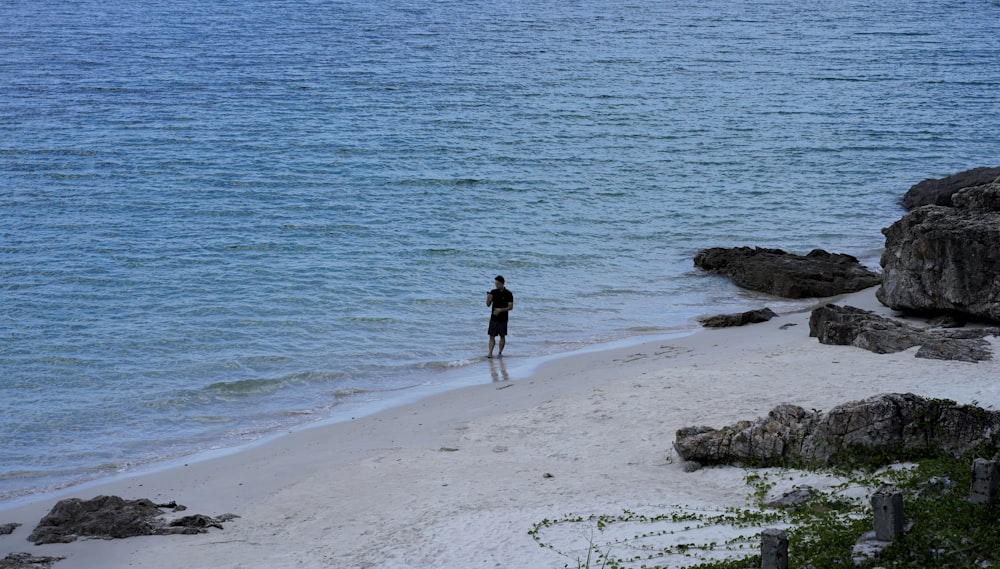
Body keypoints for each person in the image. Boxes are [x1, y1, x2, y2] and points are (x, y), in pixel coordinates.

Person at [486, 275, 513, 358]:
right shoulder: (493, 292)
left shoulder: (508, 293)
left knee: (502, 336)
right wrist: (488, 299)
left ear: (502, 284)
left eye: (498, 284)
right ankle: (490, 353)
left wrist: (500, 310)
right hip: (493, 318)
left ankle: (500, 352)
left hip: (503, 319)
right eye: (495, 283)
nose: (496, 285)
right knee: (491, 336)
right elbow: (488, 305)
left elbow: (511, 307)